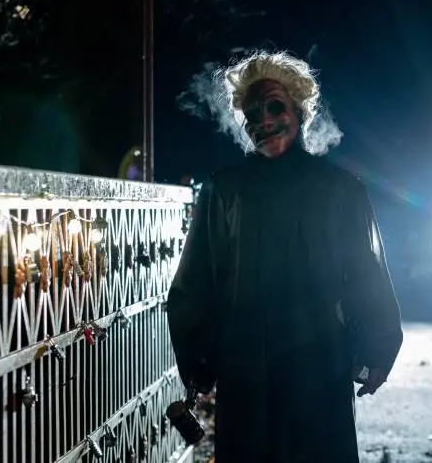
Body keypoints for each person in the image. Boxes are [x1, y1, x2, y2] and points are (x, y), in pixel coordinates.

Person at [166, 51, 403, 463]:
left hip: (319, 366)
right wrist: (198, 357)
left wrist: (378, 347)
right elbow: (196, 280)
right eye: (251, 113)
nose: (264, 120)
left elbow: (366, 273)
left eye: (274, 106)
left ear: (299, 111)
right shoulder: (225, 190)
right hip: (246, 371)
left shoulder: (340, 188)